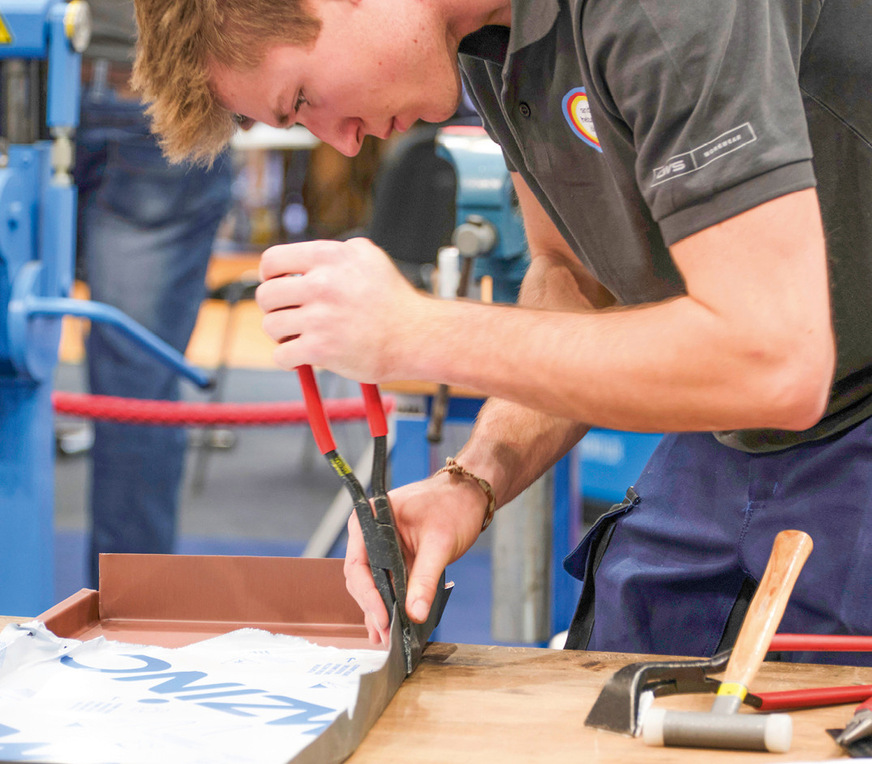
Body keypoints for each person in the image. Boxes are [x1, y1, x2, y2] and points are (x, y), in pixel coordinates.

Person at [131, 0, 872, 665]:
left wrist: (415, 330)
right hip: (737, 437)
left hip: (839, 405)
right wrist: (475, 480)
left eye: (302, 99)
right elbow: (573, 278)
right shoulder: (487, 46)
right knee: (607, 684)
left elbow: (775, 361)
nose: (344, 145)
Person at [75, 0, 232, 586]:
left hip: (99, 77)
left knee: (134, 387)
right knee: (136, 382)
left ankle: (128, 613)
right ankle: (129, 619)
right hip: (151, 82)